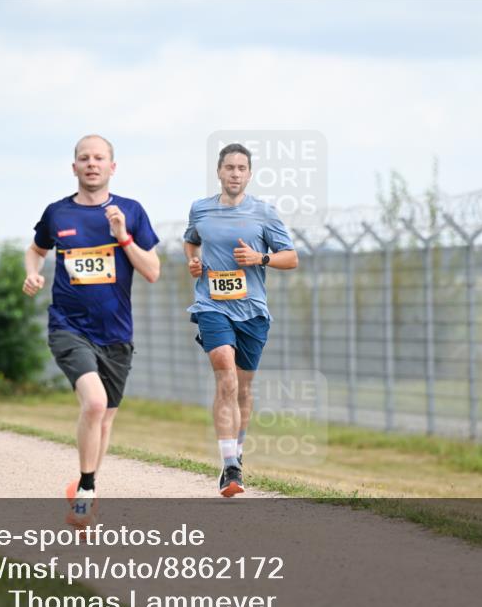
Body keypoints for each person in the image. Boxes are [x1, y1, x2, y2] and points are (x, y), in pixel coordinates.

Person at [23, 134, 160, 526]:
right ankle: (86, 490)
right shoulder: (58, 213)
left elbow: (152, 271)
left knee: (106, 418)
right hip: (68, 326)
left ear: (112, 167)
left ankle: (86, 486)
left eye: (99, 158)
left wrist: (124, 238)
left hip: (116, 332)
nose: (92, 164)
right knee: (95, 404)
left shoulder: (131, 211)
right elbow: (36, 249)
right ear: (74, 167)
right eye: (84, 158)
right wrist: (32, 274)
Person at [184, 143, 298, 497]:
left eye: (241, 168)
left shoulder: (264, 212)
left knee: (243, 389)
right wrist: (194, 262)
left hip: (252, 310)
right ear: (219, 172)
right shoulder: (200, 209)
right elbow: (191, 242)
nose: (235, 173)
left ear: (249, 174)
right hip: (211, 304)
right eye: (229, 167)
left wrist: (259, 258)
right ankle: (229, 467)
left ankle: (238, 452)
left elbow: (291, 258)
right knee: (226, 377)